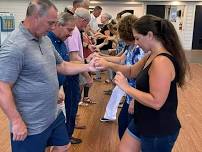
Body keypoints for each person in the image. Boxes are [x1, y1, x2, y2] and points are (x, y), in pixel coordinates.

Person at [0, 1, 97, 152]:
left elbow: (62, 65)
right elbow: (2, 87)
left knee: (64, 145)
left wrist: (88, 67)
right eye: (50, 23)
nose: (53, 27)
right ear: (35, 17)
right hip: (32, 122)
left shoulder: (44, 39)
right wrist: (16, 121)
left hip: (52, 114)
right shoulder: (14, 46)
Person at [95, 14, 190, 152]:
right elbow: (132, 71)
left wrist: (126, 87)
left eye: (138, 38)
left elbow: (156, 102)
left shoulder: (161, 61)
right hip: (142, 119)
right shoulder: (150, 55)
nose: (136, 42)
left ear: (150, 35)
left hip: (158, 127)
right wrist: (107, 64)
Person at [63, 7, 93, 144]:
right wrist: (87, 75)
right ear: (82, 20)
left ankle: (69, 129)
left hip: (72, 70)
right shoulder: (74, 31)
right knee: (72, 105)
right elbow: (74, 57)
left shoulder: (74, 30)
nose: (86, 26)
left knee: (72, 104)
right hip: (72, 72)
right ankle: (67, 136)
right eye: (86, 23)